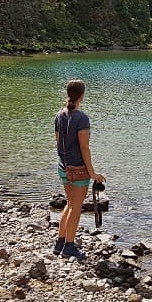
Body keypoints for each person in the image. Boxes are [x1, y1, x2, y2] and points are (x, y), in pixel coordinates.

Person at [53, 79, 104, 259]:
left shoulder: (59, 115)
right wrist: (93, 173)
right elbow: (84, 148)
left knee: (70, 204)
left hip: (63, 167)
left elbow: (58, 142)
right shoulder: (82, 118)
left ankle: (60, 242)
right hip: (78, 170)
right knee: (76, 207)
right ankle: (69, 246)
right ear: (82, 95)